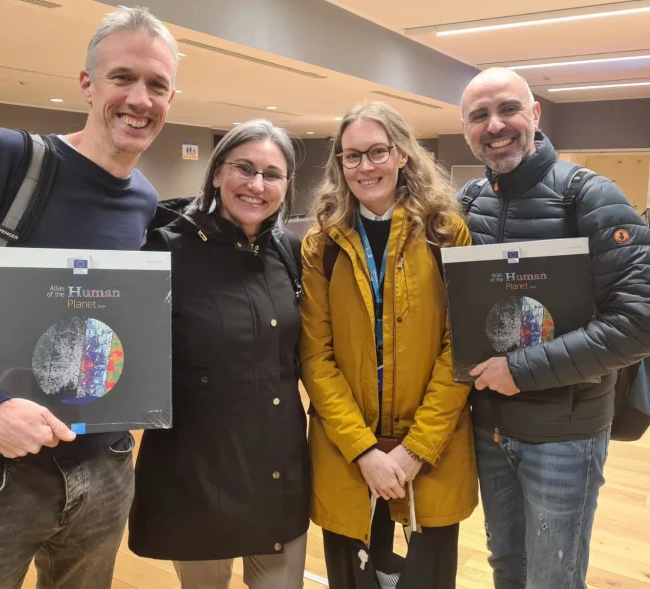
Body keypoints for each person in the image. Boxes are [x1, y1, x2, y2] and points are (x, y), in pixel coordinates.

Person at [0, 7, 177, 589]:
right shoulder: (3, 159)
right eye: (123, 78)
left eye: (157, 85)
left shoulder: (143, 199)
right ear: (88, 85)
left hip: (106, 468)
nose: (140, 98)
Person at [457, 67, 650, 589]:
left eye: (508, 109)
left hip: (565, 436)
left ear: (535, 115)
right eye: (479, 115)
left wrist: (519, 371)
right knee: (507, 566)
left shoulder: (590, 195)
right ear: (466, 129)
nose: (495, 125)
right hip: (487, 427)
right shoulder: (468, 203)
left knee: (554, 578)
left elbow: (639, 321)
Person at [299, 100, 478, 589]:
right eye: (351, 156)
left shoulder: (446, 232)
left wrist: (414, 451)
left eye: (377, 151)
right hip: (346, 452)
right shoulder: (323, 242)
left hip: (434, 449)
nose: (365, 166)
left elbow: (461, 349)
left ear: (403, 155)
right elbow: (316, 357)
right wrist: (364, 452)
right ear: (339, 163)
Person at [127, 119, 311, 589]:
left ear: (287, 186)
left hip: (278, 468)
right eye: (243, 169)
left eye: (272, 174)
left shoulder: (289, 251)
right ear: (215, 173)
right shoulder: (164, 249)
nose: (257, 185)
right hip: (199, 471)